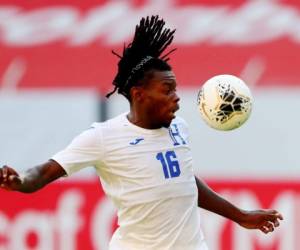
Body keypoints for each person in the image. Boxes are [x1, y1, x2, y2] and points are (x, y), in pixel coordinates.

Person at [0, 15, 283, 250]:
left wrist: (240, 215)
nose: (177, 98)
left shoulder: (179, 128)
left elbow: (183, 181)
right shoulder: (103, 137)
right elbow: (45, 172)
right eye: (167, 90)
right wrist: (21, 180)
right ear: (139, 94)